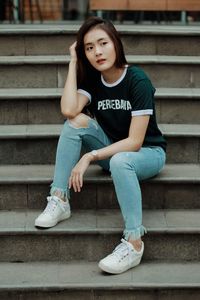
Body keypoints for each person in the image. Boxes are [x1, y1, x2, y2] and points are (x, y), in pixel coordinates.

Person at [35, 16, 166, 274]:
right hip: (113, 152)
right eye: (89, 47)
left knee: (121, 159)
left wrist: (89, 157)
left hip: (147, 153)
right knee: (76, 122)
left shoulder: (137, 79)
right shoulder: (94, 82)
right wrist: (73, 62)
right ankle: (60, 198)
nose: (97, 52)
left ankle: (134, 242)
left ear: (116, 43)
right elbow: (68, 109)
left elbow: (135, 141)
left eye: (103, 43)